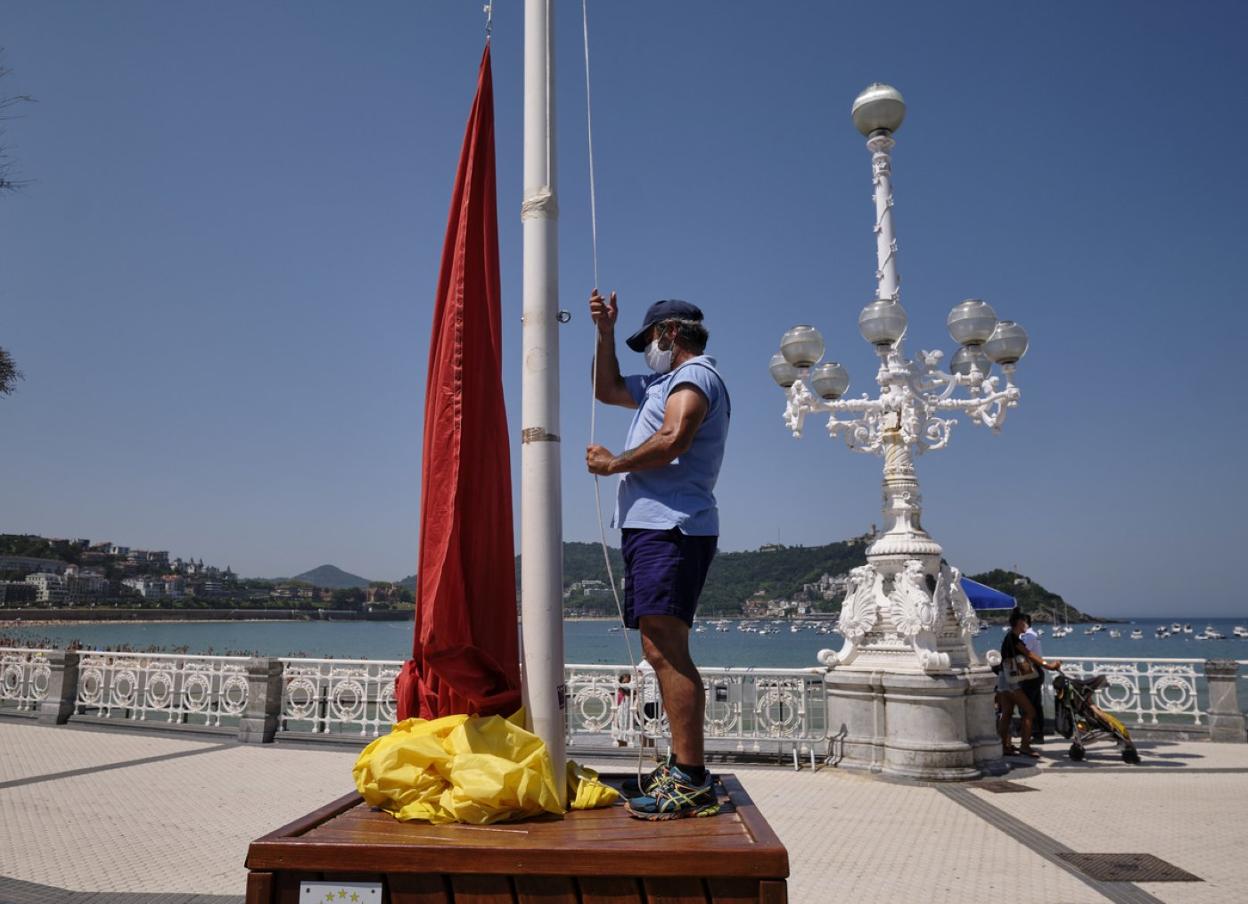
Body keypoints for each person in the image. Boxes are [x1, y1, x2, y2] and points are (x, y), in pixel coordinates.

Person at [586, 289, 730, 820]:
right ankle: (682, 768)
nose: (647, 349)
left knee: (666, 649)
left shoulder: (697, 378)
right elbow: (606, 388)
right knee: (657, 647)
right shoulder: (662, 383)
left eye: (648, 340)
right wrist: (605, 332)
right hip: (652, 530)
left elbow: (674, 437)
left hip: (674, 528)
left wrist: (613, 464)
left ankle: (691, 779)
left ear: (670, 334)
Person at [996, 609, 1060, 758]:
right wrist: (1048, 665)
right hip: (1011, 680)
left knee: (1007, 713)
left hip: (1003, 678)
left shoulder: (1010, 637)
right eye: (1024, 622)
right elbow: (1029, 654)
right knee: (1030, 712)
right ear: (1019, 623)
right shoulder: (1014, 639)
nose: (1026, 625)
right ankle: (1025, 746)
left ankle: (1002, 746)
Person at [1019, 612, 1046, 743]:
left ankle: (1030, 733)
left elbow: (1024, 654)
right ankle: (1037, 733)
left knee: (1027, 704)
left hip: (1031, 672)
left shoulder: (1028, 636)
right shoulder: (1030, 635)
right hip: (1035, 671)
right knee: (1035, 704)